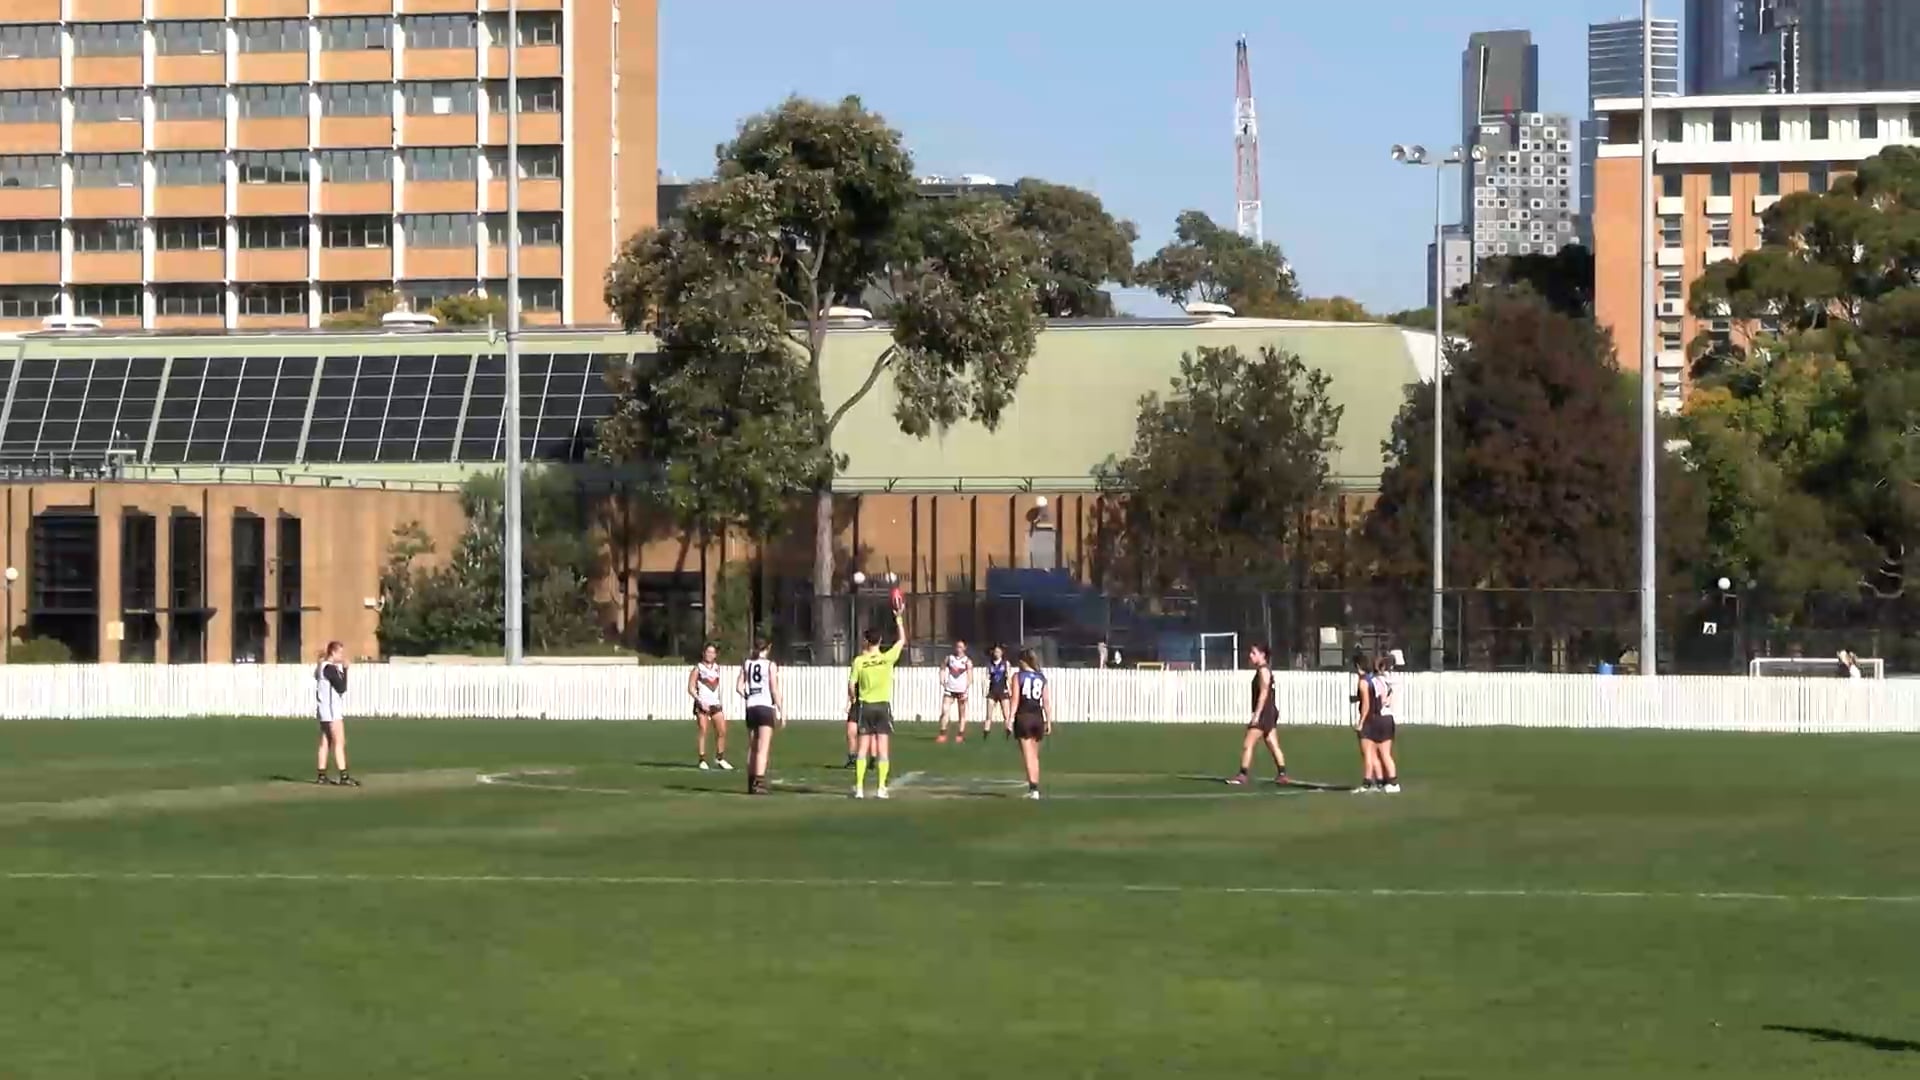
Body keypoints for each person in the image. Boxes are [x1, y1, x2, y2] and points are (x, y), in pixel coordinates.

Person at [848, 601, 907, 799]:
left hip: (865, 706)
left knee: (862, 748)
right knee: (882, 748)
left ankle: (859, 788)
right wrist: (898, 618)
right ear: (880, 641)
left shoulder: (859, 661)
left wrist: (854, 698)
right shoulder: (887, 658)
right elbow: (902, 641)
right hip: (882, 706)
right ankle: (881, 788)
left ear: (866, 641)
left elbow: (851, 685)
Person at [1227, 642, 1287, 786]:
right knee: (1272, 743)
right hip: (1270, 711)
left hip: (1265, 712)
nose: (1250, 655)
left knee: (1248, 743)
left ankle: (1242, 774)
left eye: (1254, 653)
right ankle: (1282, 774)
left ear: (1262, 655)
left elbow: (1264, 692)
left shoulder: (1263, 670)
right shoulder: (1264, 670)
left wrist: (1257, 714)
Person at [738, 640, 783, 795]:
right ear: (769, 647)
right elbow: (774, 689)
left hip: (751, 707)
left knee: (752, 747)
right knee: (763, 748)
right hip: (764, 707)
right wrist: (781, 710)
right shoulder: (770, 665)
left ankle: (750, 783)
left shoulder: (747, 664)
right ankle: (759, 782)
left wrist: (748, 695)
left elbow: (739, 687)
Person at [313, 641, 358, 786]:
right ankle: (344, 776)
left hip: (323, 710)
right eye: (340, 653)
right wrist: (345, 670)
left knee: (325, 742)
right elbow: (341, 688)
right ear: (333, 652)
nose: (342, 656)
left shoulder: (321, 667)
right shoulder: (330, 668)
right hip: (332, 711)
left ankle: (321, 775)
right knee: (339, 742)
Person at [1011, 648, 1053, 799]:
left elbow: (1015, 700)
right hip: (1038, 717)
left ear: (1022, 661)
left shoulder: (1018, 676)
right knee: (1035, 755)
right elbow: (1046, 702)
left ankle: (1033, 789)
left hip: (1024, 716)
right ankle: (1035, 787)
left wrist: (1009, 719)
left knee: (1028, 755)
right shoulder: (1041, 678)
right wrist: (1049, 720)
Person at [688, 643, 731, 772]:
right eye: (708, 652)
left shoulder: (717, 668)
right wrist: (700, 701)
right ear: (704, 653)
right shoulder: (698, 668)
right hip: (702, 704)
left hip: (715, 703)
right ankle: (702, 759)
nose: (710, 655)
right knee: (703, 730)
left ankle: (720, 758)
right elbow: (690, 688)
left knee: (722, 730)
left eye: (713, 652)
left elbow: (716, 687)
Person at [936, 640, 974, 744]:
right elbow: (942, 667)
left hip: (961, 690)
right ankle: (942, 734)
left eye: (961, 647)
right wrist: (942, 678)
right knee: (945, 711)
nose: (959, 649)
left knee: (961, 713)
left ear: (965, 648)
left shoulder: (967, 661)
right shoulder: (949, 658)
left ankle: (960, 734)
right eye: (957, 647)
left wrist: (966, 689)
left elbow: (970, 677)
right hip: (950, 689)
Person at [985, 644, 1014, 739]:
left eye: (998, 651)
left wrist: (1010, 690)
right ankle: (986, 733)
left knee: (1006, 714)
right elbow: (987, 678)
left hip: (1003, 691)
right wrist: (985, 689)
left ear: (1002, 653)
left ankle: (1009, 732)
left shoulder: (1006, 663)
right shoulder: (989, 664)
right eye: (995, 651)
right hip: (992, 691)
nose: (996, 653)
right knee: (989, 714)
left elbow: (1009, 677)